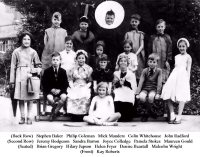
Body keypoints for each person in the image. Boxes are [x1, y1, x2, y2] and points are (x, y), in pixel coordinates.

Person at [10, 31, 42, 125]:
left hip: (30, 77)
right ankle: (22, 117)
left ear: (31, 41)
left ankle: (29, 117)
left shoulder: (33, 52)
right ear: (21, 40)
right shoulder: (16, 51)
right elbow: (13, 66)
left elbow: (39, 66)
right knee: (21, 98)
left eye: (28, 39)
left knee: (30, 98)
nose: (26, 41)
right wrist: (12, 81)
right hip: (19, 76)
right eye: (24, 39)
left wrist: (33, 70)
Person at [161, 38, 192, 124]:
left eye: (183, 46)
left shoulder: (188, 57)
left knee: (181, 95)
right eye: (180, 46)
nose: (181, 48)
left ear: (186, 47)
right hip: (174, 76)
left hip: (183, 78)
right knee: (167, 92)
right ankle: (172, 114)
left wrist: (187, 81)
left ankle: (179, 116)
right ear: (178, 47)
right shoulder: (176, 57)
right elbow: (176, 68)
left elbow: (188, 70)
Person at [67, 50, 93, 121]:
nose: (81, 60)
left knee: (84, 94)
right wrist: (72, 86)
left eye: (83, 58)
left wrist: (86, 86)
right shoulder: (72, 69)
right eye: (79, 58)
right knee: (73, 95)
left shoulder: (89, 69)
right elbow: (70, 79)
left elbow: (90, 81)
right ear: (76, 59)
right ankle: (74, 115)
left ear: (85, 59)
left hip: (85, 85)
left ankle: (83, 115)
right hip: (75, 85)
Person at [42, 52, 68, 121]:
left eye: (57, 60)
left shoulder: (63, 71)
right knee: (49, 98)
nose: (55, 62)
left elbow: (65, 84)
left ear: (60, 61)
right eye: (53, 60)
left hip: (60, 91)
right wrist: (51, 89)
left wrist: (60, 90)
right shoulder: (47, 71)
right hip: (50, 91)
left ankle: (54, 112)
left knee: (64, 97)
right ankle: (57, 109)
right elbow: (44, 83)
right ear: (51, 61)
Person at [136, 53, 162, 122]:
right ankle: (150, 111)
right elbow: (141, 82)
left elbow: (159, 83)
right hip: (145, 89)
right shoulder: (145, 70)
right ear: (148, 62)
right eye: (150, 62)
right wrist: (137, 93)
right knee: (141, 97)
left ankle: (146, 113)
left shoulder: (159, 71)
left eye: (154, 62)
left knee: (151, 97)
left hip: (153, 89)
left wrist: (158, 93)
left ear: (157, 63)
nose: (152, 64)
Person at [113, 54, 137, 121]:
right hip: (119, 90)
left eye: (125, 61)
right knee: (117, 95)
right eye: (121, 61)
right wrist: (119, 83)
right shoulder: (116, 73)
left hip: (128, 91)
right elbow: (114, 85)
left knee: (127, 118)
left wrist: (125, 82)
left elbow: (133, 86)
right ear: (118, 63)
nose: (123, 62)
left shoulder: (131, 74)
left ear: (127, 63)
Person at [148, 19, 172, 83]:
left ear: (164, 27)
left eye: (162, 26)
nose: (160, 28)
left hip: (164, 60)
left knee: (164, 74)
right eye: (158, 27)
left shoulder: (167, 37)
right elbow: (149, 49)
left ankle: (163, 88)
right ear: (156, 27)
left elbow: (169, 49)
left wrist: (168, 60)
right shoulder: (152, 37)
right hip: (155, 60)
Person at [124, 14, 145, 81]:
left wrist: (136, 54)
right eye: (132, 21)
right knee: (130, 69)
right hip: (129, 54)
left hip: (138, 55)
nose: (134, 23)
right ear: (130, 22)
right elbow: (125, 44)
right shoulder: (127, 33)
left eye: (136, 22)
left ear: (138, 23)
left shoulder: (140, 34)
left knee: (138, 70)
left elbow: (142, 45)